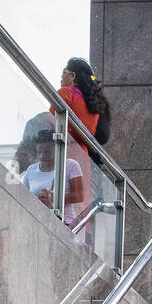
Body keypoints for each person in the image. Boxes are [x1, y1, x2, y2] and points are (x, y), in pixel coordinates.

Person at [52, 58, 112, 228]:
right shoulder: (94, 104)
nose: (60, 77)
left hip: (64, 152)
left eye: (63, 73)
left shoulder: (66, 93)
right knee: (79, 208)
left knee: (59, 201)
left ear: (72, 75)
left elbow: (50, 121)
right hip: (83, 157)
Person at [21, 132, 84, 228]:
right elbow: (23, 196)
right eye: (39, 152)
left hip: (64, 222)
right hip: (37, 221)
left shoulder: (70, 165)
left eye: (47, 152)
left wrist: (53, 198)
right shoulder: (31, 169)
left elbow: (79, 196)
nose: (42, 156)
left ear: (57, 149)